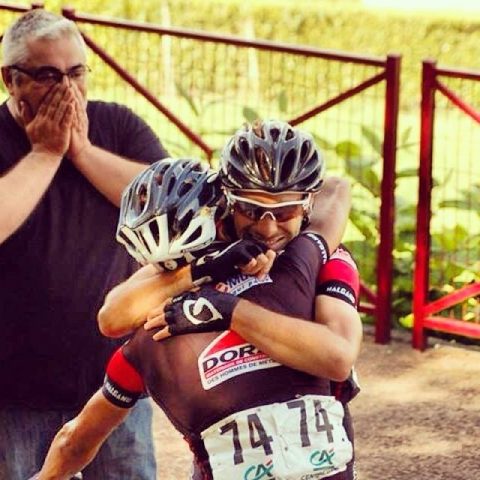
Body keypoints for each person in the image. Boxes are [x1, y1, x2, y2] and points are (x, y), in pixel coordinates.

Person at [36, 122, 361, 479]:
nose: (268, 229)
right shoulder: (209, 260)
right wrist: (205, 266)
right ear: (226, 204)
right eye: (251, 211)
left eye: (284, 213)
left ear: (307, 204)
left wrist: (224, 310)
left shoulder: (319, 257)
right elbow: (112, 316)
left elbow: (337, 358)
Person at [0, 9, 168, 480]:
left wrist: (83, 153)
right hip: (14, 391)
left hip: (114, 381)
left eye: (76, 72)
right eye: (48, 75)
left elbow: (169, 201)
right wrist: (46, 154)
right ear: (10, 80)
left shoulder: (116, 125)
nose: (67, 89)